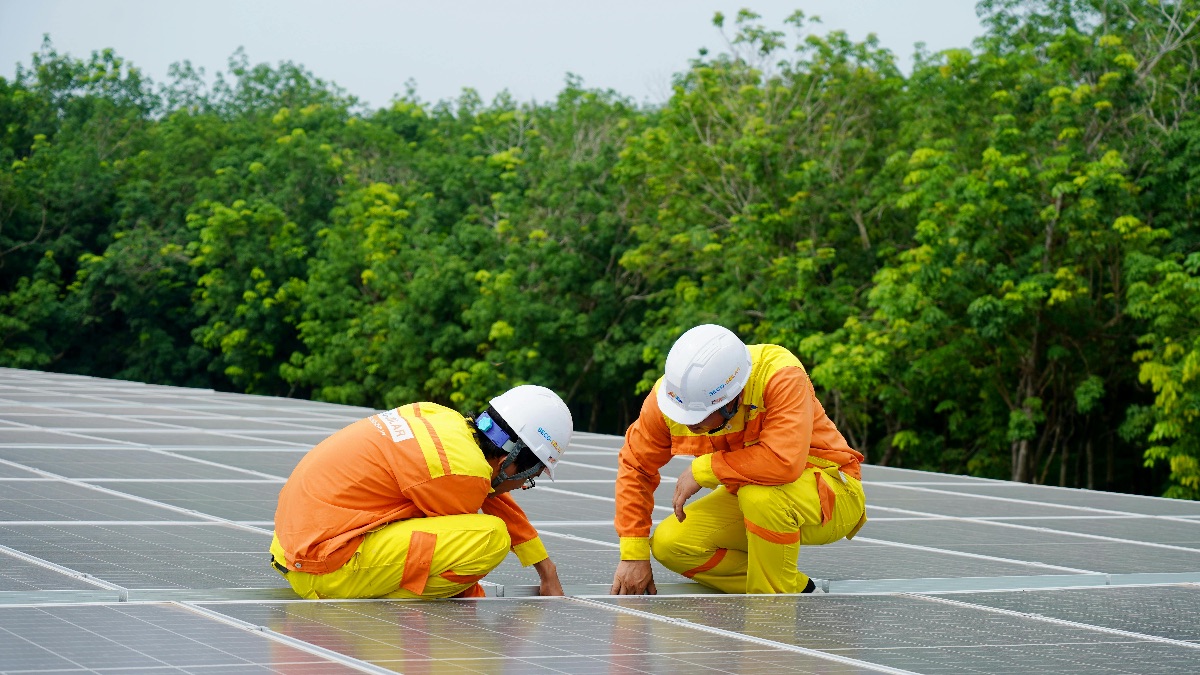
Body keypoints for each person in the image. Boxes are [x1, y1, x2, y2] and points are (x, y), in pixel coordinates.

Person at [610, 324, 867, 595]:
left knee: (759, 497)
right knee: (671, 543)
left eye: (698, 416)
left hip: (833, 494)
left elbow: (784, 462)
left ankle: (769, 610)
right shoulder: (672, 399)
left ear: (732, 399)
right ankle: (799, 590)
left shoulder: (780, 375)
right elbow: (635, 466)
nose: (688, 423)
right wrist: (633, 554)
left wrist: (704, 468)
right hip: (754, 498)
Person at [270, 384, 573, 599]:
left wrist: (545, 568)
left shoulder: (442, 420)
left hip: (293, 546)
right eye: (529, 478)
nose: (522, 486)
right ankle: (380, 602)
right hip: (324, 567)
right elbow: (459, 547)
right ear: (510, 462)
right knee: (490, 538)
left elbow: (487, 492)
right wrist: (472, 605)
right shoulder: (461, 475)